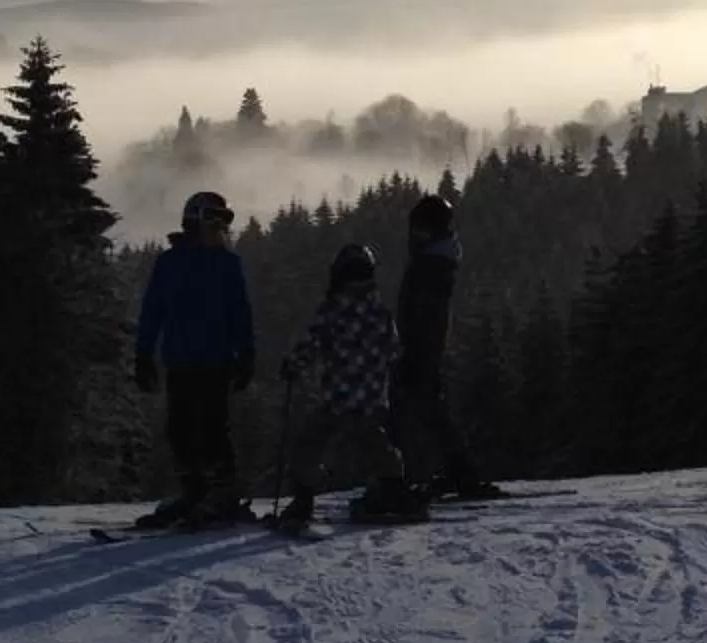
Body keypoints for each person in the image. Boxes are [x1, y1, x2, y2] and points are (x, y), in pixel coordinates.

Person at [273, 242, 427, 529]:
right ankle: (394, 490)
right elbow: (394, 352)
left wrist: (292, 365)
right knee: (377, 445)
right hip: (372, 400)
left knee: (310, 444)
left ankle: (303, 500)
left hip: (339, 398)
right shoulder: (381, 313)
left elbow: (311, 344)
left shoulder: (332, 311)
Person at [132, 188, 256, 526]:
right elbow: (153, 310)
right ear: (196, 222)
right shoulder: (170, 263)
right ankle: (196, 492)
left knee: (213, 429)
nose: (221, 231)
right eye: (215, 223)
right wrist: (143, 354)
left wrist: (246, 353)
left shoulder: (227, 264)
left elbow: (240, 312)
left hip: (215, 361)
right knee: (180, 430)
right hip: (181, 361)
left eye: (222, 225)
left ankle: (223, 495)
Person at [386, 192, 503, 503]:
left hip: (421, 348)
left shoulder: (430, 266)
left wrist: (415, 351)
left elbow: (425, 313)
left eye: (418, 229)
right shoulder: (433, 262)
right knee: (427, 411)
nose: (413, 235)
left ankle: (418, 477)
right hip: (423, 347)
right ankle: (455, 474)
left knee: (414, 411)